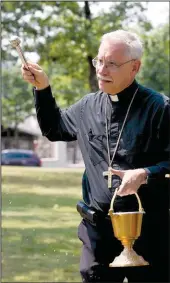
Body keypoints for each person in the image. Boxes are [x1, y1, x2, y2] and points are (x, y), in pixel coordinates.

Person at [22, 30, 170, 282]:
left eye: (112, 63)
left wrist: (146, 174)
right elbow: (54, 128)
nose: (102, 69)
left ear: (135, 67)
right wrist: (43, 88)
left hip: (151, 232)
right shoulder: (87, 106)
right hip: (97, 231)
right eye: (99, 61)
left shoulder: (159, 108)